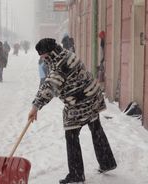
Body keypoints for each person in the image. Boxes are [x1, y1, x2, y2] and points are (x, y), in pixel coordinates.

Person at [28, 38, 117, 184]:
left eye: (43, 56)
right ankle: (107, 162)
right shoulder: (66, 54)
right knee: (96, 128)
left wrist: (35, 107)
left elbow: (49, 86)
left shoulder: (59, 65)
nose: (42, 59)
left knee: (71, 135)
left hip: (79, 102)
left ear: (49, 53)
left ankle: (76, 175)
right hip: (92, 96)